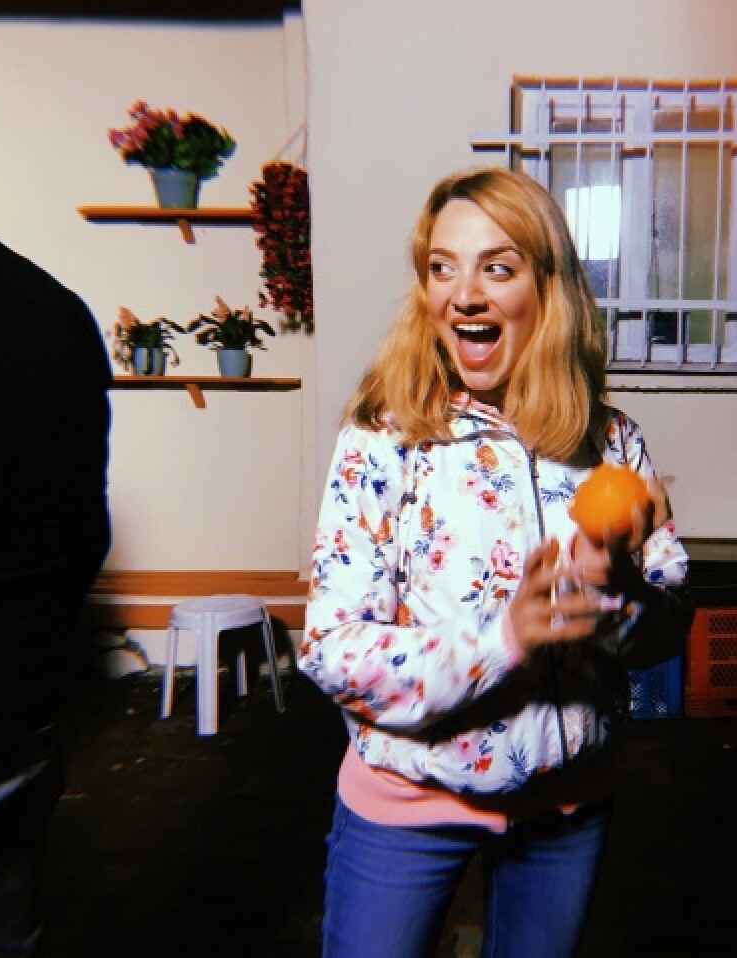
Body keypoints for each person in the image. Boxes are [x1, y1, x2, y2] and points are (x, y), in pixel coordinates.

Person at [301, 168, 691, 958]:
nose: (465, 295)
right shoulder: (384, 437)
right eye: (442, 267)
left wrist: (615, 594)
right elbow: (330, 650)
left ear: (548, 288)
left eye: (498, 267)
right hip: (406, 798)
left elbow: (667, 630)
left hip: (565, 807)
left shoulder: (612, 443)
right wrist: (502, 640)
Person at [0, 234, 112, 958]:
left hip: (13, 680)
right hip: (10, 691)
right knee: (7, 921)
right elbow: (83, 528)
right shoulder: (51, 311)